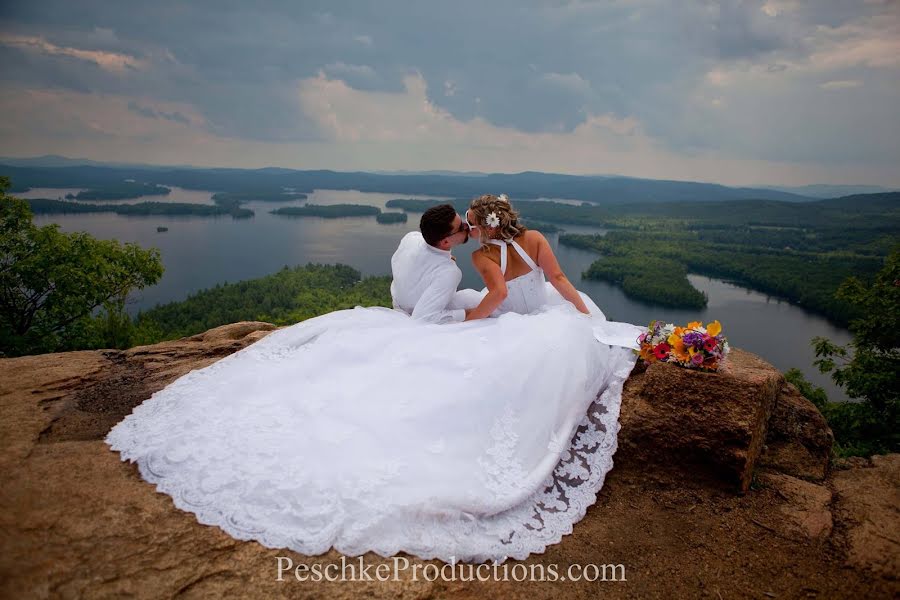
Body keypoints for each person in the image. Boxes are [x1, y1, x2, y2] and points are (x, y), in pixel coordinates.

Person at [105, 194, 645, 564]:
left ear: (481, 227)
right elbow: (555, 280)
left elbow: (495, 298)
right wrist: (580, 314)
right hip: (550, 314)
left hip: (506, 317)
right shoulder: (522, 241)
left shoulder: (471, 254)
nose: (466, 230)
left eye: (469, 223)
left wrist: (467, 321)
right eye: (461, 226)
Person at [389, 203, 482, 323]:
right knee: (473, 300)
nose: (467, 226)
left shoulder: (411, 238)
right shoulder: (449, 272)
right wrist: (469, 313)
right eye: (460, 227)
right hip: (415, 317)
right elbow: (424, 318)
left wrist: (445, 260)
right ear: (445, 242)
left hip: (399, 305)